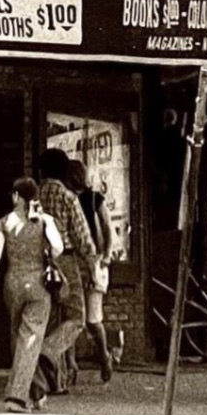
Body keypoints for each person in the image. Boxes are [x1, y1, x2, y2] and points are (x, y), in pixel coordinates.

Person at [0, 178, 64, 413]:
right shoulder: (44, 220)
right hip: (37, 284)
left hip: (12, 284)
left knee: (19, 338)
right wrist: (46, 248)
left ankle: (36, 393)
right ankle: (16, 397)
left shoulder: (5, 222)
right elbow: (59, 248)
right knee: (30, 339)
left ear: (16, 196)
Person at [35, 149, 99, 393]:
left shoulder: (33, 195)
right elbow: (82, 238)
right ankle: (48, 351)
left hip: (38, 261)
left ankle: (54, 383)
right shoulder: (68, 197)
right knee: (75, 318)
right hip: (65, 260)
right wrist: (92, 269)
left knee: (50, 319)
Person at [66, 159, 118, 380]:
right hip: (74, 261)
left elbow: (107, 228)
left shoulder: (95, 199)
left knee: (92, 320)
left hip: (94, 261)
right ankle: (70, 364)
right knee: (71, 317)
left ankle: (104, 356)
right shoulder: (68, 198)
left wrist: (105, 256)